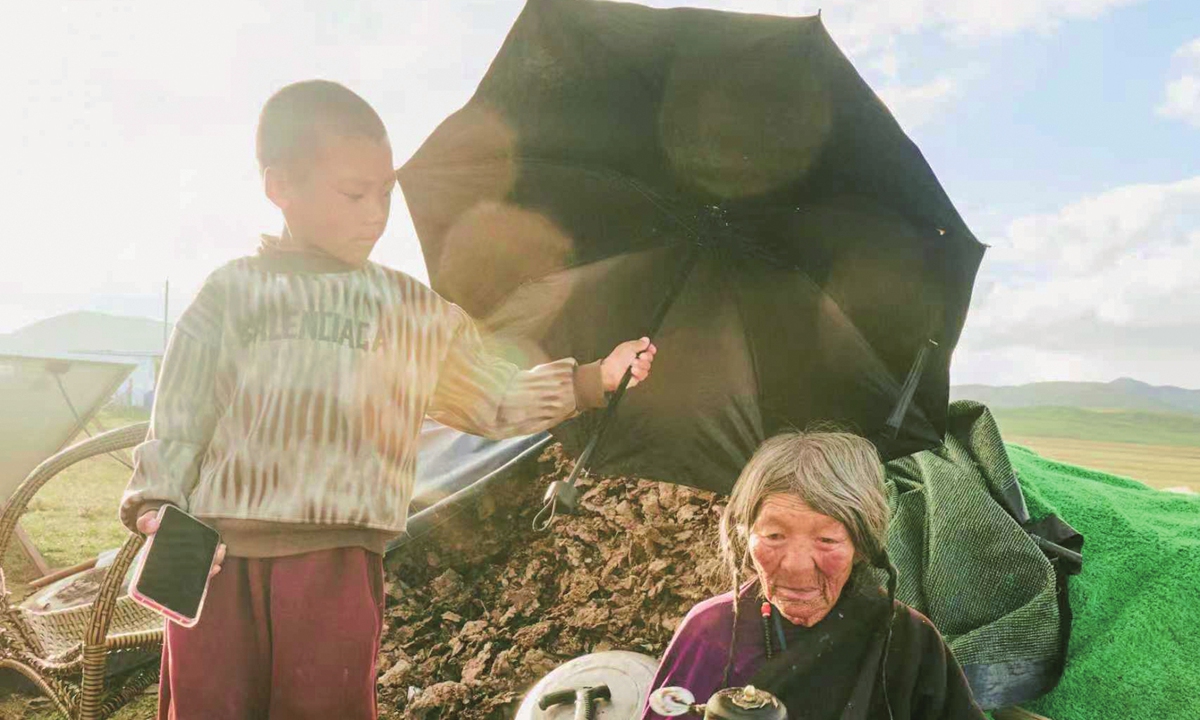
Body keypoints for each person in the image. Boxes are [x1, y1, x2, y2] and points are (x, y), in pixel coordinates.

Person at [119, 79, 656, 720]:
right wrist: (156, 505)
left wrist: (592, 378)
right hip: (212, 558)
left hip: (336, 564)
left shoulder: (408, 312)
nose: (376, 212)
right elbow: (180, 415)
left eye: (386, 192)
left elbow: (492, 395)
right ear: (280, 187)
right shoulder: (232, 293)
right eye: (354, 193)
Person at [642, 432, 985, 720]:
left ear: (862, 545)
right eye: (775, 536)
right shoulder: (710, 630)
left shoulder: (907, 639)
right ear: (745, 537)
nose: (796, 566)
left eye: (827, 540)